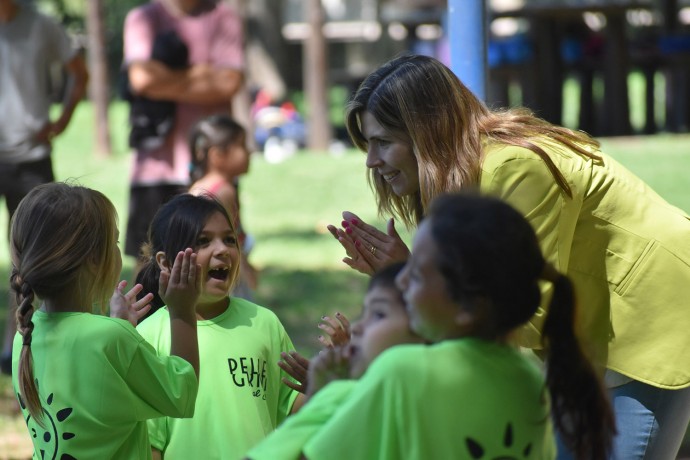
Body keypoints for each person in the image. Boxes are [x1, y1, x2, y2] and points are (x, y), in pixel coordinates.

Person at [327, 54, 690, 459]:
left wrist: (411, 278)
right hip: (593, 347)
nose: (371, 161)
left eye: (383, 142)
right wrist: (409, 275)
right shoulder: (462, 179)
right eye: (367, 144)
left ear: (425, 132)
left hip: (659, 318)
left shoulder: (514, 166)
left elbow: (526, 312)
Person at [313, 192, 615, 459]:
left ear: (469, 308)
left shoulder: (404, 372)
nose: (401, 280)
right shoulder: (529, 381)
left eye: (416, 274)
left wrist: (324, 392)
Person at [9, 182, 200, 459]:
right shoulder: (109, 339)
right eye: (115, 242)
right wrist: (182, 312)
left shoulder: (24, 336)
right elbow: (181, 395)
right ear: (95, 259)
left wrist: (119, 327)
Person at [135, 193, 303, 459]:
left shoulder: (264, 323)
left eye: (229, 239)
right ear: (165, 262)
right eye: (203, 241)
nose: (222, 249)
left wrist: (328, 379)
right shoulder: (148, 336)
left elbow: (294, 408)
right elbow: (150, 443)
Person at [246, 262, 426, 460]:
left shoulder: (351, 396)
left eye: (378, 314)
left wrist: (322, 396)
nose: (357, 328)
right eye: (363, 314)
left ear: (425, 328)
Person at [122, 0, 244, 274]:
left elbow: (229, 82)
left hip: (212, 172)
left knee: (216, 267)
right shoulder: (142, 18)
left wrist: (163, 79)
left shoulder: (225, 17)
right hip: (154, 168)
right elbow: (141, 79)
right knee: (148, 270)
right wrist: (202, 74)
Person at [0, 0, 88, 375]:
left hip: (30, 156)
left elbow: (78, 72)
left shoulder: (42, 25)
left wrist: (62, 120)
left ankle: (16, 343)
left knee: (33, 253)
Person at [188, 114, 258, 300]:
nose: (249, 152)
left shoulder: (199, 186)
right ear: (217, 155)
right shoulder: (222, 191)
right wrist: (246, 270)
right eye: (242, 145)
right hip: (225, 273)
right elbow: (231, 238)